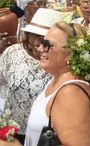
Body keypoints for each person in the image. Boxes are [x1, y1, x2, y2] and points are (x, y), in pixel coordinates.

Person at [24, 22, 90, 146]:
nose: (40, 48)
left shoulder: (71, 94)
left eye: (48, 45)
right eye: (42, 42)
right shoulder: (56, 82)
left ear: (69, 53)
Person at [0, 9, 62, 144]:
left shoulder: (60, 62)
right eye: (34, 36)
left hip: (46, 137)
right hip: (12, 133)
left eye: (45, 39)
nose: (37, 44)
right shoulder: (13, 53)